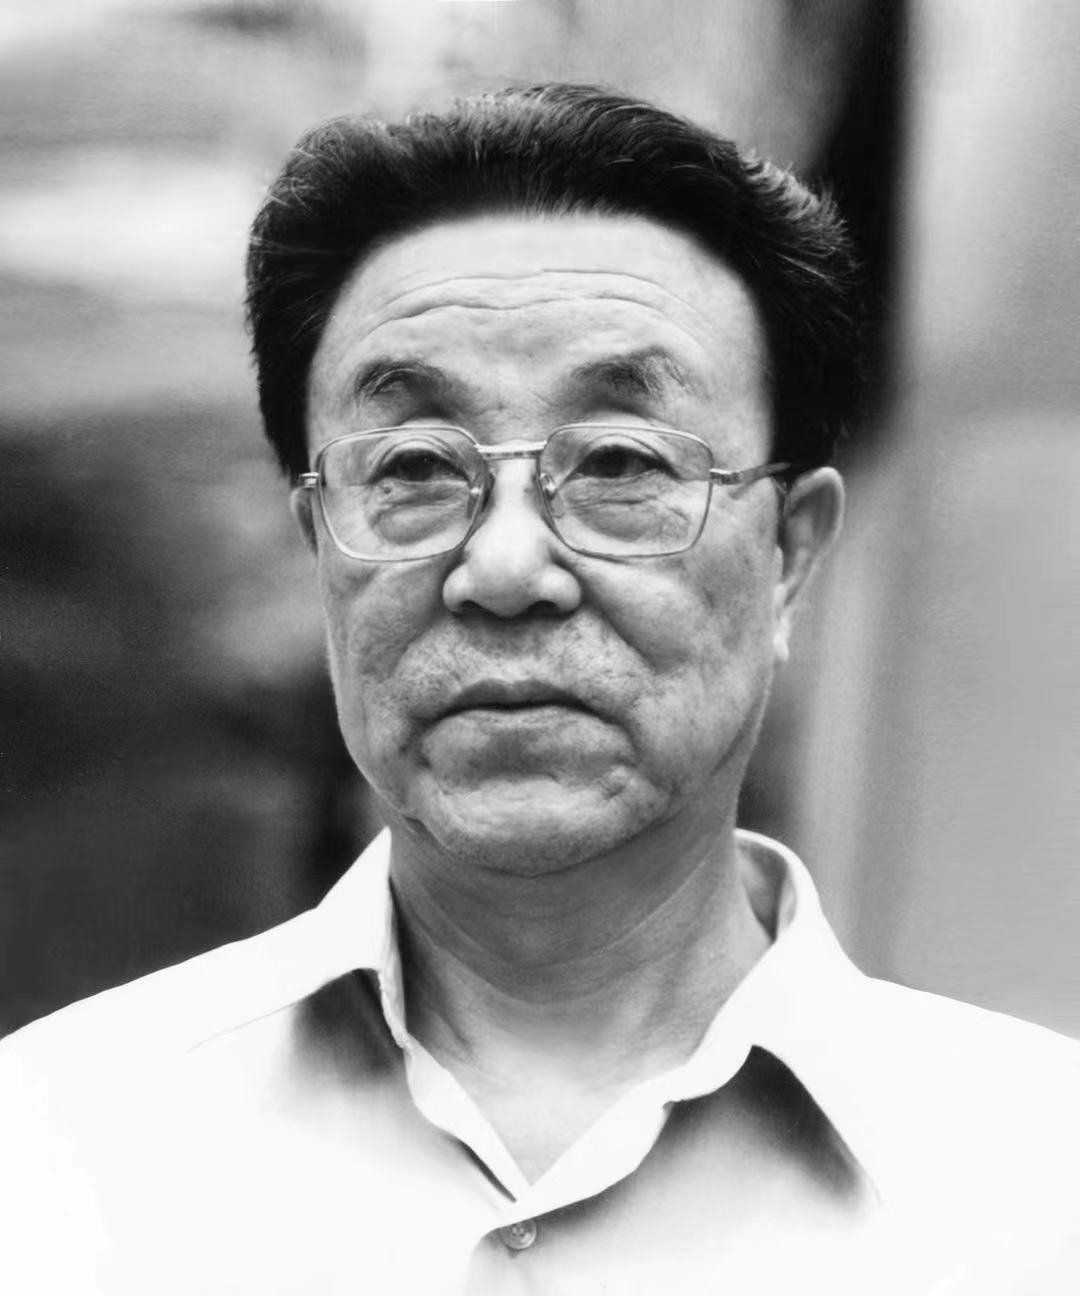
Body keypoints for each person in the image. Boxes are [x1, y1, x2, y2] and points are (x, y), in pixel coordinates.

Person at [1, 83, 1078, 1295]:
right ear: (318, 545)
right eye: (413, 468)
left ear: (790, 554)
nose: (506, 569)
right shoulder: (49, 1157)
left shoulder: (1039, 1191)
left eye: (620, 462)